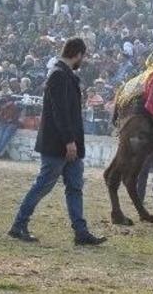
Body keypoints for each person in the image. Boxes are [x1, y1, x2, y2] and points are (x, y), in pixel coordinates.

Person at [8, 38, 106, 246]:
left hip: (66, 143)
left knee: (74, 186)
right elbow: (60, 112)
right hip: (60, 143)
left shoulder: (61, 74)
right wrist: (69, 141)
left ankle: (81, 231)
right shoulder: (59, 75)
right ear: (78, 54)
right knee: (45, 185)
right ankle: (19, 224)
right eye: (83, 56)